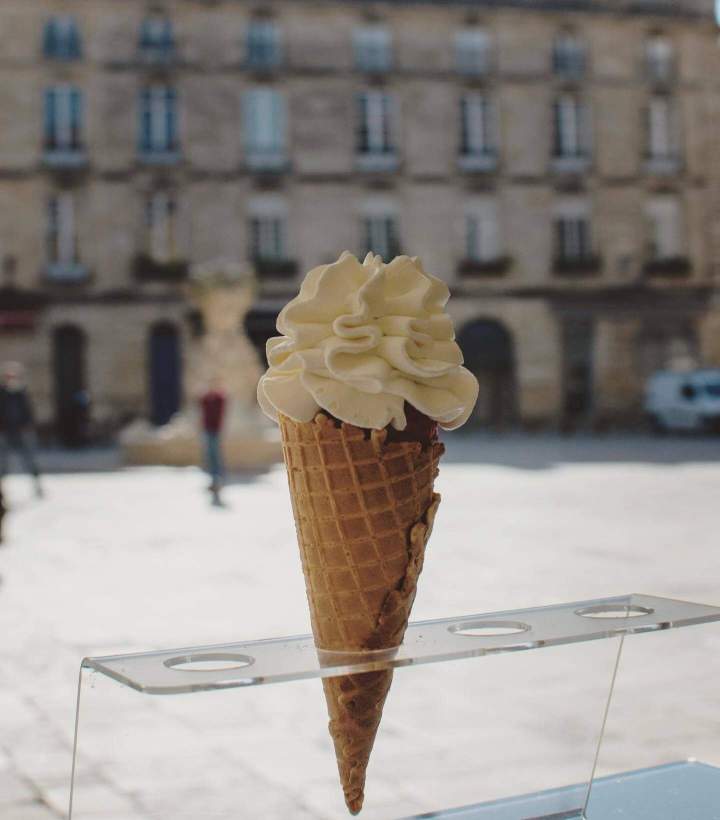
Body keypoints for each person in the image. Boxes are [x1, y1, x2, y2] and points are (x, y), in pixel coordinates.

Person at [0, 362, 43, 497]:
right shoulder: (2, 394)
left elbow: (28, 412)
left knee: (30, 461)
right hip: (5, 432)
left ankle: (37, 487)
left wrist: (28, 426)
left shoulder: (21, 394)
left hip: (22, 432)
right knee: (2, 464)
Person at [200, 379, 226, 503]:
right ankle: (213, 480)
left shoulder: (218, 399)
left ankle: (217, 480)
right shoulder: (207, 399)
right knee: (209, 456)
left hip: (215, 430)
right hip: (208, 430)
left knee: (215, 455)